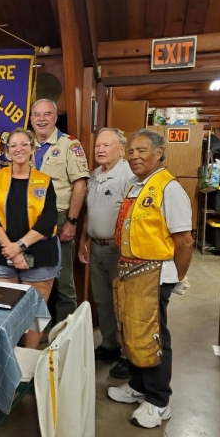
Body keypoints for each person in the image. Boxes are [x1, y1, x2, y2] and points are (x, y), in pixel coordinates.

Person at [107, 129, 193, 429]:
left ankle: (159, 401)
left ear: (159, 152)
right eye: (130, 151)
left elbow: (184, 240)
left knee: (154, 335)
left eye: (141, 150)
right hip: (130, 270)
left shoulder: (169, 188)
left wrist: (178, 276)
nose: (134, 156)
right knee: (131, 331)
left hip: (155, 273)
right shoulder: (135, 185)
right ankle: (139, 386)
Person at [0, 128, 60, 349]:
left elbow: (48, 220)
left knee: (35, 314)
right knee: (1, 311)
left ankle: (29, 361)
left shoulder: (44, 181)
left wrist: (20, 246)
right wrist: (11, 248)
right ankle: (7, 360)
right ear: (7, 152)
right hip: (1, 252)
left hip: (40, 255)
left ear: (32, 149)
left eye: (24, 144)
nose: (19, 149)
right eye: (14, 145)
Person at [78, 128, 134, 379]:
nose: (100, 150)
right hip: (96, 247)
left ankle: (127, 355)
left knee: (121, 303)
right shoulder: (95, 175)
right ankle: (110, 345)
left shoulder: (129, 175)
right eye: (98, 145)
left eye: (106, 145)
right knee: (102, 300)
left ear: (121, 149)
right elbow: (90, 211)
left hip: (117, 250)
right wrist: (83, 240)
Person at [30, 98, 89, 324]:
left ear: (55, 118)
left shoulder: (69, 145)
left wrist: (72, 222)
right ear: (32, 119)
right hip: (30, 223)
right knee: (33, 280)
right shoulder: (25, 144)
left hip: (59, 219)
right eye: (37, 115)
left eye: (47, 114)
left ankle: (65, 335)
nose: (42, 119)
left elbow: (80, 184)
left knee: (63, 283)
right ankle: (35, 332)